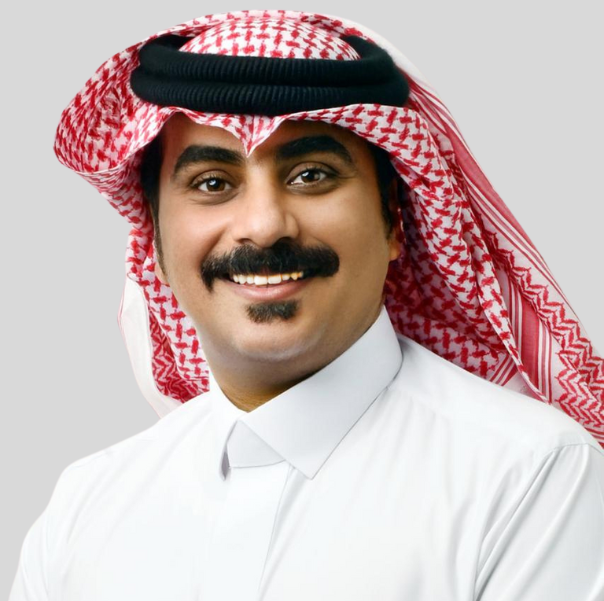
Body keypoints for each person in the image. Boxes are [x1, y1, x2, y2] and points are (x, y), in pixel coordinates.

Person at [9, 10, 604, 600]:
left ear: (395, 221)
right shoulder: (83, 513)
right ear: (155, 244)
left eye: (311, 175)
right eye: (213, 183)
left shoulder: (528, 478)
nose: (265, 226)